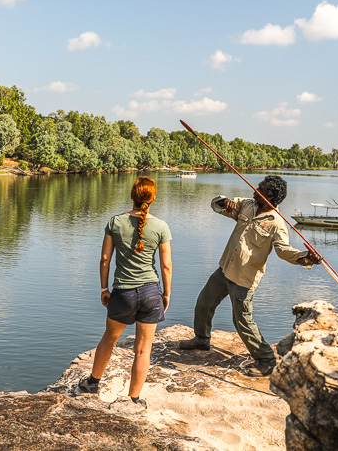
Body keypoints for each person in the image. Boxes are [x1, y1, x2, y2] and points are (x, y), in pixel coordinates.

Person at [179, 175, 319, 377]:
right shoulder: (247, 204)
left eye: (259, 187)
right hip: (225, 268)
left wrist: (306, 257)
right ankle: (202, 339)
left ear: (269, 195)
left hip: (244, 278)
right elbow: (218, 204)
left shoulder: (277, 223)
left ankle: (266, 359)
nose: (255, 188)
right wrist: (222, 201)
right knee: (204, 302)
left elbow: (283, 250)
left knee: (242, 320)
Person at [77, 176, 172, 408]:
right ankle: (134, 399)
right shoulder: (161, 226)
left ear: (132, 195)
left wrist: (103, 288)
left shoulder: (115, 222)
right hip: (151, 294)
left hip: (123, 293)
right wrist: (166, 294)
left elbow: (105, 259)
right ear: (153, 197)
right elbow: (166, 266)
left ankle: (92, 383)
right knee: (142, 349)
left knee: (109, 339)